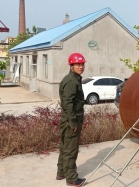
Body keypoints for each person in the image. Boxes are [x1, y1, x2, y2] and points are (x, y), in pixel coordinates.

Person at [56, 52, 86, 186]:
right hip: (71, 121)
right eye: (78, 64)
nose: (81, 66)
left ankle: (61, 172)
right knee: (71, 150)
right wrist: (73, 122)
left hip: (68, 120)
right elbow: (67, 103)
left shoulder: (74, 79)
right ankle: (72, 178)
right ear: (71, 66)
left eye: (82, 64)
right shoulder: (71, 81)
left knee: (65, 147)